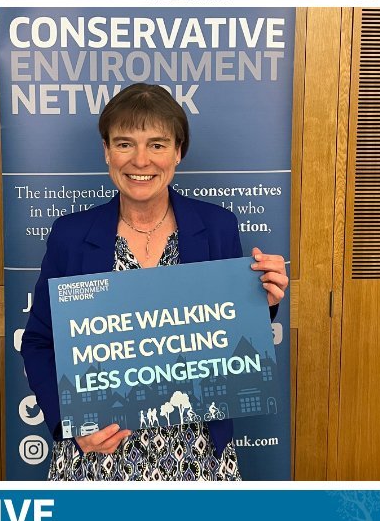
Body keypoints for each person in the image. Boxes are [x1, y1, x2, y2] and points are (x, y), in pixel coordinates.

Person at [21, 84, 289, 481]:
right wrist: (69, 426)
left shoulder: (216, 227)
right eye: (125, 144)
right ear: (107, 152)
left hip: (197, 456)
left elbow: (230, 337)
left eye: (158, 145)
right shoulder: (70, 236)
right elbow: (39, 342)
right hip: (99, 458)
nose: (140, 160)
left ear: (178, 151)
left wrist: (263, 302)